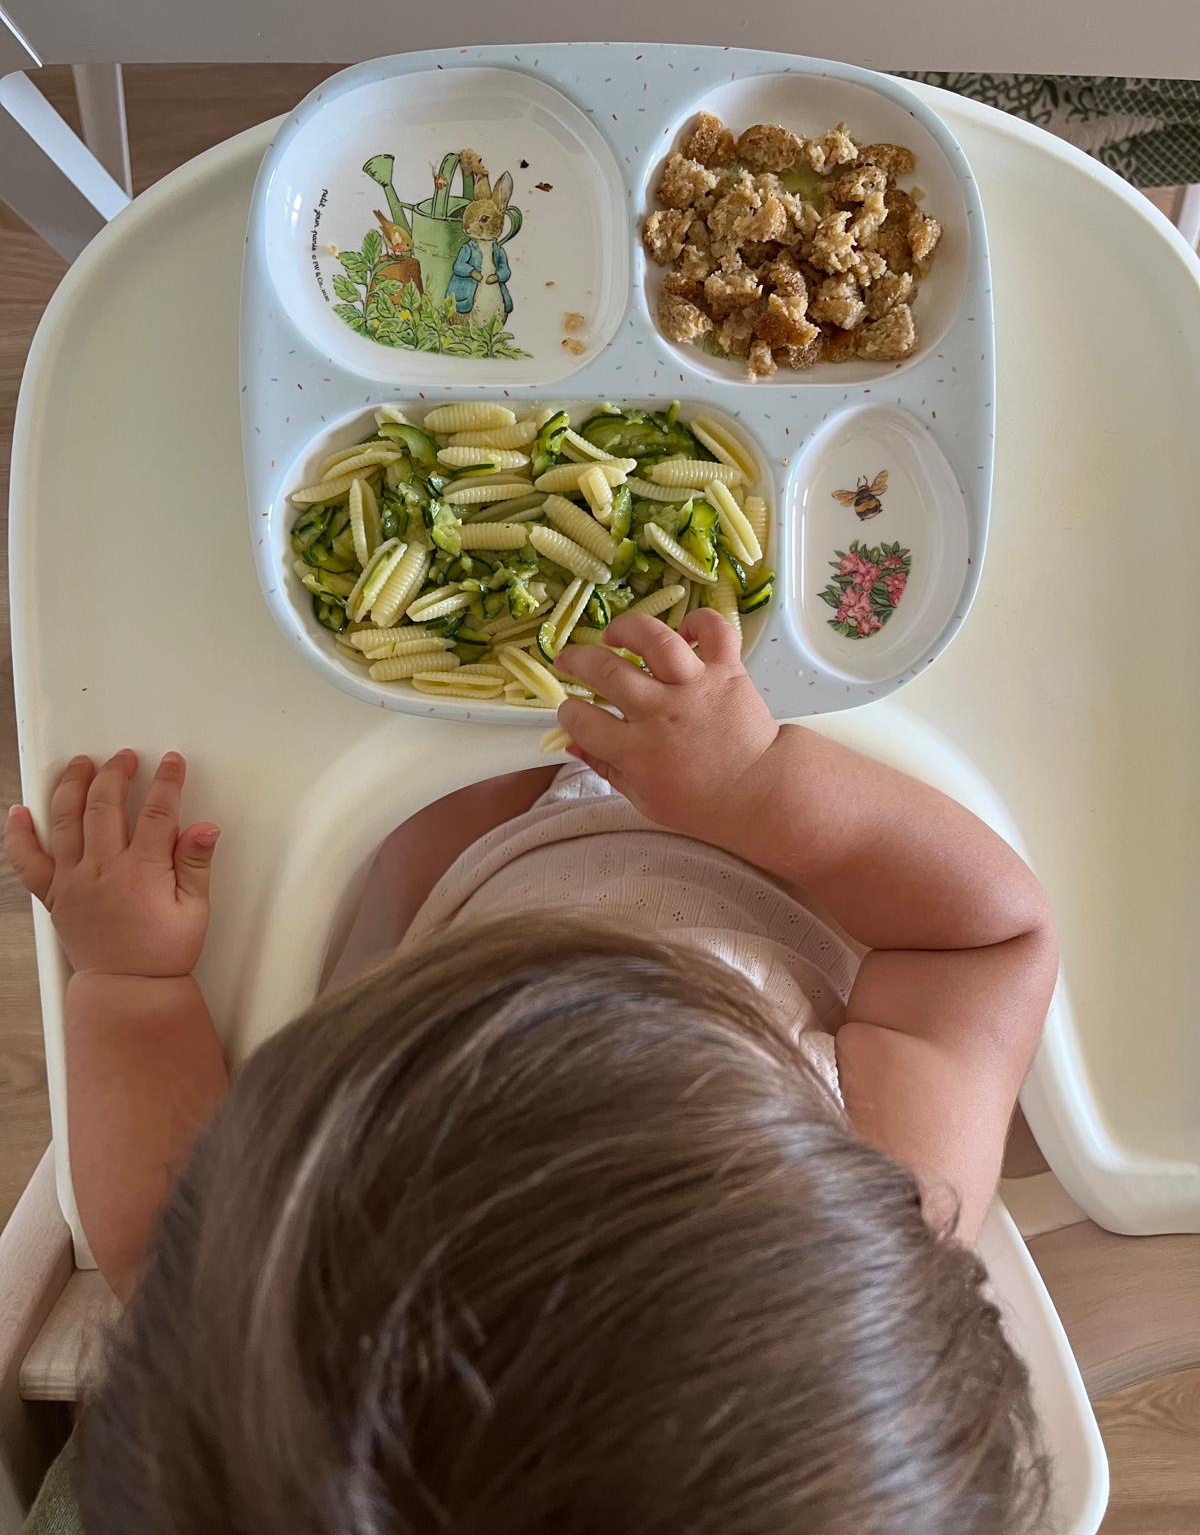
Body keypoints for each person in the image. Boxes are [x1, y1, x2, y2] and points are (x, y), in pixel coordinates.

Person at [7, 611, 1056, 1534]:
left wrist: (132, 979)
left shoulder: (241, 1359)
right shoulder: (884, 1170)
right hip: (775, 854)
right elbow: (984, 947)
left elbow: (153, 1230)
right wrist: (763, 786)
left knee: (429, 734)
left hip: (479, 878)